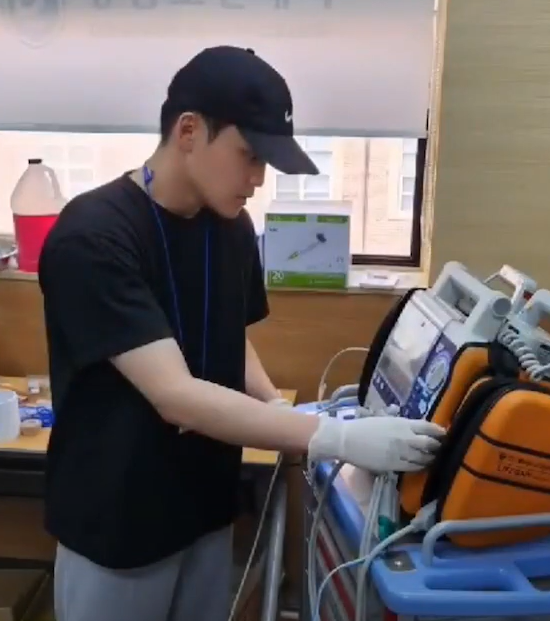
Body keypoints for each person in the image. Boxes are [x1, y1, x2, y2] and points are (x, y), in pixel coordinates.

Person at [37, 46, 445, 621]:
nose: (257, 179)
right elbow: (175, 396)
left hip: (205, 508)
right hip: (119, 525)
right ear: (188, 131)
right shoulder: (94, 237)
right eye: (248, 156)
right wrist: (333, 437)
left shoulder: (229, 227)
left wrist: (272, 403)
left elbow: (229, 334)